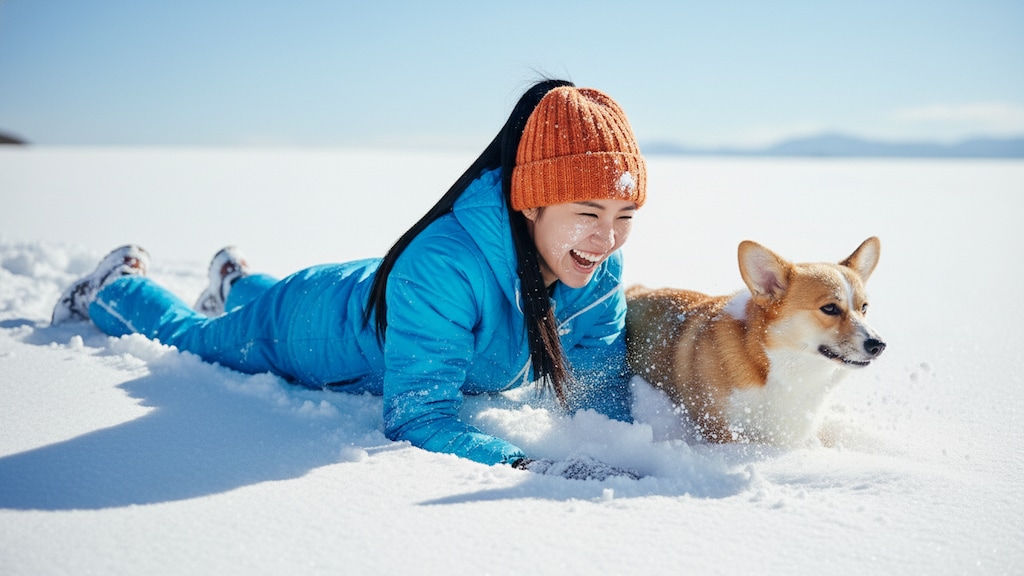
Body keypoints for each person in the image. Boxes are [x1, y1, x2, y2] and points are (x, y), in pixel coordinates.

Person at [52, 79, 647, 480]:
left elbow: (596, 378)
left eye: (624, 216)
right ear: (531, 203)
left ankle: (235, 281)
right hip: (313, 329)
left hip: (380, 294)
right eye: (588, 214)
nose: (607, 239)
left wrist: (613, 452)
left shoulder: (595, 268)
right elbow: (418, 417)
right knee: (197, 338)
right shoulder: (444, 268)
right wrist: (529, 467)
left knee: (255, 309)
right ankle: (115, 288)